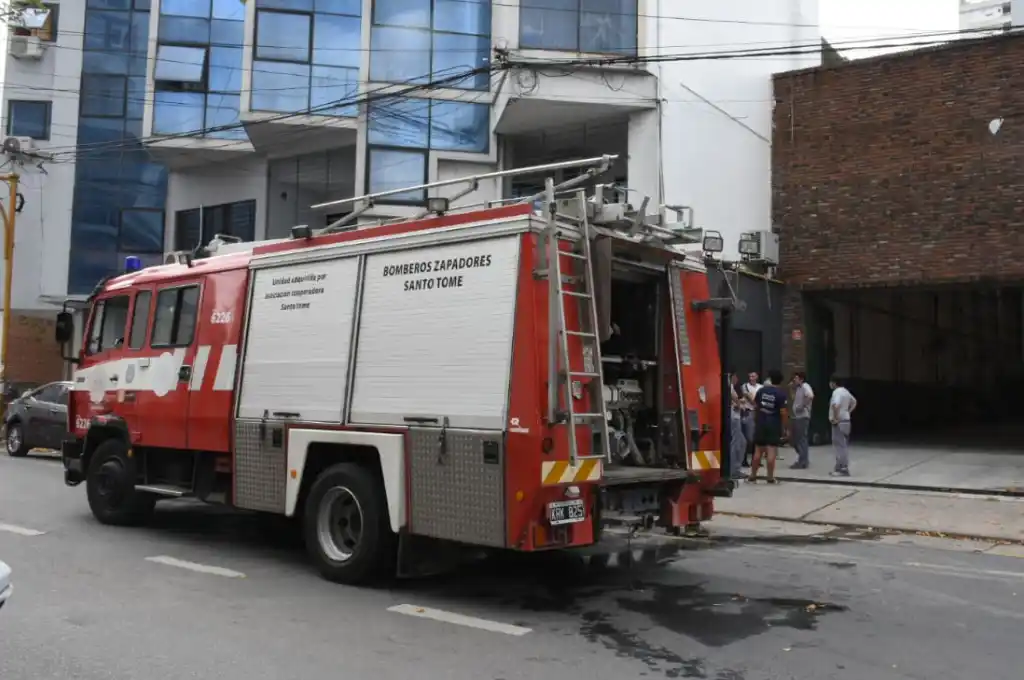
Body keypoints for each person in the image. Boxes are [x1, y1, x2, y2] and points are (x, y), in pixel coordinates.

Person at [748, 369, 788, 484]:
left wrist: (758, 418)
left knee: (757, 452)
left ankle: (753, 475)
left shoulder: (761, 390)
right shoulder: (781, 394)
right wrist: (785, 428)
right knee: (771, 452)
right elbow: (783, 412)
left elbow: (756, 405)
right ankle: (770, 477)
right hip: (773, 425)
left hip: (761, 423)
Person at [828, 376, 857, 476]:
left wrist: (836, 418)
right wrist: (848, 412)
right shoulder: (845, 391)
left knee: (839, 445)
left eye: (830, 383)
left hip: (839, 422)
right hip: (846, 420)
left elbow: (836, 405)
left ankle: (842, 468)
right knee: (843, 444)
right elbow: (854, 402)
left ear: (834, 383)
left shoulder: (837, 392)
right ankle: (840, 467)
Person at [789, 372, 814, 469]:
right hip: (797, 416)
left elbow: (810, 396)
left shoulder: (805, 386)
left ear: (801, 379)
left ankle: (802, 461)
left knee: (801, 439)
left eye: (796, 378)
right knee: (796, 439)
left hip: (803, 416)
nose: (794, 380)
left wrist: (802, 406)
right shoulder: (798, 388)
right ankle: (803, 458)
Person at [739, 371, 760, 467]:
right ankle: (744, 460)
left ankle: (755, 460)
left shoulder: (761, 387)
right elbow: (748, 396)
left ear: (757, 377)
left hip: (758, 413)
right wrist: (757, 405)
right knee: (748, 438)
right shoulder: (745, 386)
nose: (751, 378)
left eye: (753, 376)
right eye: (750, 376)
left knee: (757, 437)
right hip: (749, 412)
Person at [728, 373, 746, 481]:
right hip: (734, 418)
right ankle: (733, 470)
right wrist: (740, 405)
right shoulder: (729, 386)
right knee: (736, 443)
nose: (736, 379)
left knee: (741, 442)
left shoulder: (730, 387)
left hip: (734, 417)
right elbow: (734, 398)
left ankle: (735, 468)